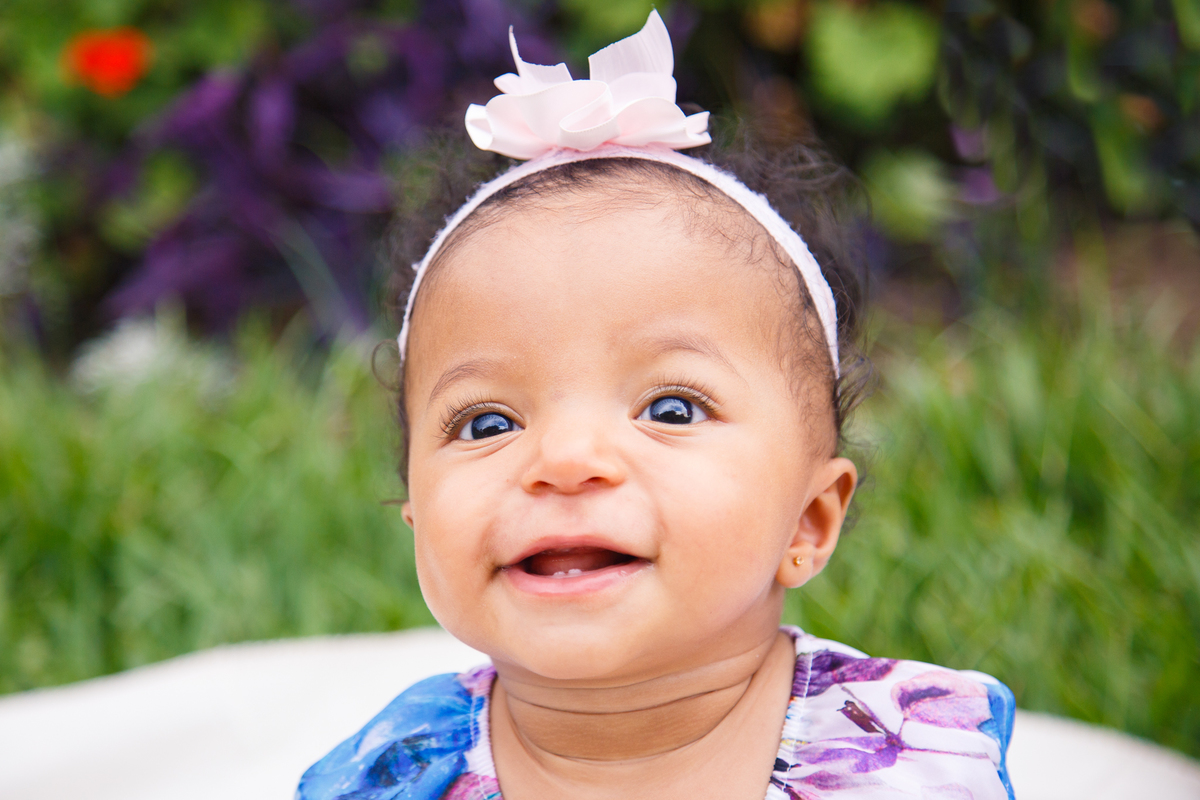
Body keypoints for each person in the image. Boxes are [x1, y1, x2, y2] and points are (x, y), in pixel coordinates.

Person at [297, 11, 1016, 800]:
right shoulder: (400, 769)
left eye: (671, 409)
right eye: (488, 423)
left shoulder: (898, 753)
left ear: (808, 521)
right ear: (415, 518)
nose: (566, 460)